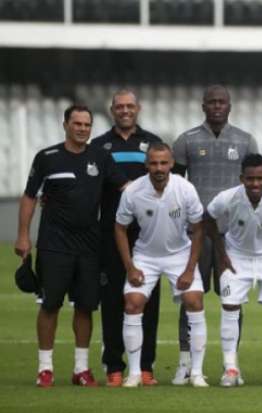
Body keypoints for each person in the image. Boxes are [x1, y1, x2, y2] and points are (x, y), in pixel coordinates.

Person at [15, 104, 128, 387]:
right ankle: (45, 368)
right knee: (50, 304)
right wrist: (23, 235)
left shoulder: (101, 157)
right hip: (54, 245)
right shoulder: (47, 158)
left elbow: (126, 188)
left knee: (85, 307)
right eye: (77, 124)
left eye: (87, 125)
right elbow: (30, 196)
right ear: (65, 124)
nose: (82, 129)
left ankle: (81, 369)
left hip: (90, 246)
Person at [171, 85, 258, 384]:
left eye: (222, 102)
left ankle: (230, 365)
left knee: (232, 298)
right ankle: (185, 363)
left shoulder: (245, 141)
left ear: (230, 106)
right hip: (196, 233)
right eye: (212, 102)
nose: (217, 106)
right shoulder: (187, 140)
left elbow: (254, 186)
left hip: (232, 235)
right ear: (203, 106)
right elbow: (175, 186)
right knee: (191, 297)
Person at [115, 142, 208, 387]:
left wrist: (189, 269)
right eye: (154, 163)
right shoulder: (133, 191)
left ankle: (197, 373)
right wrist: (130, 267)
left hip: (179, 254)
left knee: (194, 300)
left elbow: (199, 229)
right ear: (147, 165)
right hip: (145, 255)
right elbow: (120, 227)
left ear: (171, 164)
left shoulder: (185, 189)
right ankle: (134, 374)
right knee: (133, 303)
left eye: (163, 163)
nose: (159, 168)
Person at [205, 154, 262, 387]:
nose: (255, 184)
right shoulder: (227, 198)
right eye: (250, 179)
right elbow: (208, 218)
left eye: (260, 178)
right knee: (229, 307)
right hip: (236, 257)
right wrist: (222, 255)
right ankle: (231, 368)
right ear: (241, 179)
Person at [91, 89, 163, 387]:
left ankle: (146, 366)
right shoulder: (98, 146)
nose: (124, 111)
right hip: (110, 233)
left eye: (129, 106)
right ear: (111, 110)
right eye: (119, 106)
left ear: (138, 108)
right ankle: (114, 367)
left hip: (147, 236)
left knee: (147, 299)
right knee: (111, 300)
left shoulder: (153, 144)